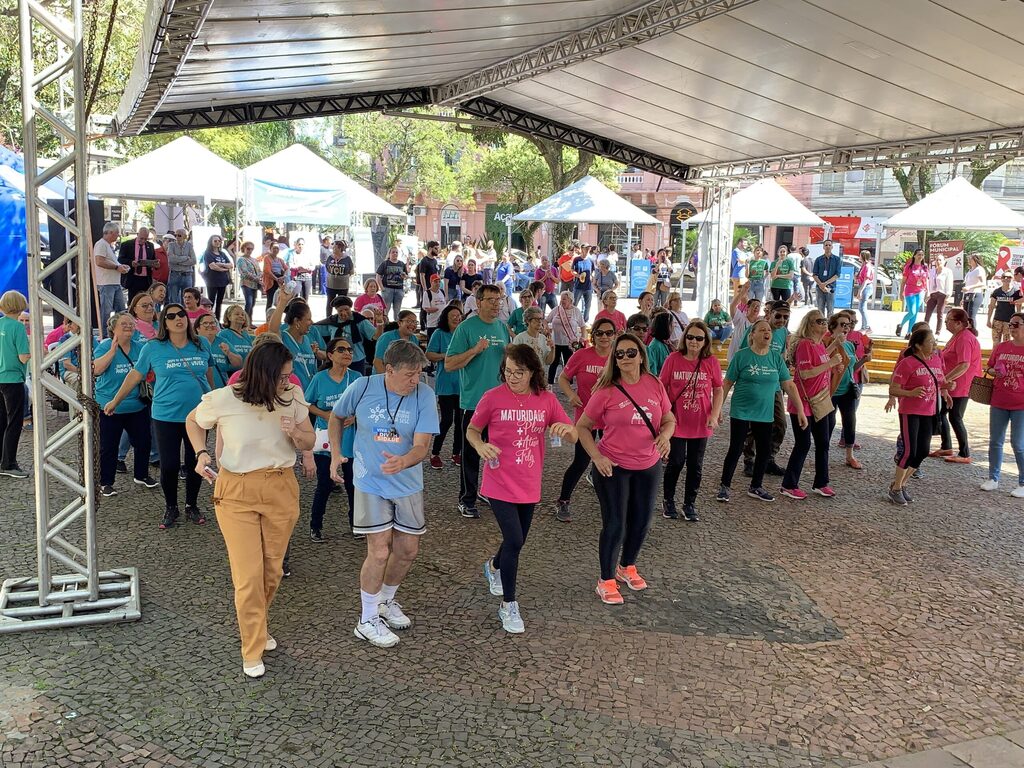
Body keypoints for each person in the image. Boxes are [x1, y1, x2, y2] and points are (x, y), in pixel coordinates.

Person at [187, 338, 314, 678]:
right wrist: (201, 454)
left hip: (281, 486)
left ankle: (258, 627)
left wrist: (298, 438)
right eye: (283, 376)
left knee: (272, 571)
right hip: (236, 491)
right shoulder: (224, 398)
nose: (289, 382)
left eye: (290, 376)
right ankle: (252, 645)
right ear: (263, 373)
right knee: (248, 576)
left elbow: (310, 439)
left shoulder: (291, 398)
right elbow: (193, 421)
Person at [328, 340, 439, 648]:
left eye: (419, 373)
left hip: (407, 484)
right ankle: (366, 620)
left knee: (407, 551)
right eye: (409, 374)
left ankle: (385, 601)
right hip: (369, 482)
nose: (415, 380)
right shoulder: (362, 387)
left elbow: (421, 445)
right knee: (378, 551)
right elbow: (336, 417)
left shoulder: (425, 395)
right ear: (389, 370)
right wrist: (336, 453)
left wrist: (405, 460)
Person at [471, 345, 575, 633]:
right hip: (498, 481)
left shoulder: (546, 400)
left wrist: (564, 431)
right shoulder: (492, 398)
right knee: (515, 540)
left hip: (529, 482)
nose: (513, 377)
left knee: (516, 540)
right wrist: (481, 446)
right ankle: (509, 604)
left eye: (519, 372)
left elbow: (574, 431)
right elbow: (471, 430)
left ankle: (493, 566)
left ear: (533, 372)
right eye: (508, 371)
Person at [576, 333, 674, 605]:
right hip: (613, 466)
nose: (626, 358)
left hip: (648, 464)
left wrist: (665, 436)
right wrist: (596, 457)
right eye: (620, 354)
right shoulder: (606, 390)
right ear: (614, 360)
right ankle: (605, 579)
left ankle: (627, 566)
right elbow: (582, 427)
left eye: (631, 352)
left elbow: (669, 419)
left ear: (641, 355)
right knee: (615, 524)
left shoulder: (654, 384)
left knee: (642, 521)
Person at [104, 303, 215, 528]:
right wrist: (115, 400)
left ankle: (191, 505)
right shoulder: (153, 347)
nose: (178, 319)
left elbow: (209, 372)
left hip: (199, 414)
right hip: (166, 415)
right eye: (171, 316)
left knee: (197, 461)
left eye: (181, 314)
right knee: (170, 464)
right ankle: (171, 506)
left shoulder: (201, 343)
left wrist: (215, 402)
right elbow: (135, 376)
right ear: (164, 322)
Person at [717, 319, 805, 504]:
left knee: (764, 450)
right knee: (736, 448)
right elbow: (726, 384)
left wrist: (801, 411)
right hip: (741, 410)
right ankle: (725, 486)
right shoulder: (742, 356)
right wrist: (717, 409)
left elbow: (788, 384)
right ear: (753, 334)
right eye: (762, 330)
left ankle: (756, 486)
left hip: (764, 413)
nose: (767, 332)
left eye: (769, 331)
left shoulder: (775, 358)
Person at [445, 284, 511, 519]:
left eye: (499, 300)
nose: (496, 304)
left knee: (497, 453)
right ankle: (467, 498)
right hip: (474, 402)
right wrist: (474, 350)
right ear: (478, 302)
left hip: (502, 404)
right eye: (491, 300)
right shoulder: (466, 328)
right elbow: (449, 364)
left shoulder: (502, 327)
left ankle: (489, 492)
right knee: (471, 454)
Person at [659, 320, 723, 522]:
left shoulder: (710, 361)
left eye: (699, 338)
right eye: (690, 337)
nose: (694, 341)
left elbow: (718, 389)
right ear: (684, 338)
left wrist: (714, 414)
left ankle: (689, 503)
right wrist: (662, 415)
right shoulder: (673, 359)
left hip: (701, 421)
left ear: (705, 341)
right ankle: (668, 500)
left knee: (696, 465)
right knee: (676, 461)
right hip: (676, 421)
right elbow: (661, 387)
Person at [555, 318, 616, 522]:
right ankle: (563, 501)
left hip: (611, 420)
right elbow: (563, 378)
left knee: (614, 462)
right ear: (593, 336)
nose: (604, 337)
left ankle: (614, 505)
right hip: (586, 419)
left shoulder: (619, 358)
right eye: (600, 333)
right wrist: (571, 395)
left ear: (614, 335)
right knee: (581, 461)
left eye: (609, 333)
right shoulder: (582, 355)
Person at [779, 310, 843, 500]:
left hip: (820, 401)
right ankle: (789, 484)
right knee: (803, 443)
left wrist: (833, 349)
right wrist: (831, 363)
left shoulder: (819, 345)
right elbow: (806, 373)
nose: (823, 324)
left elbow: (822, 359)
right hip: (804, 403)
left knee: (823, 442)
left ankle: (821, 482)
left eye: (825, 321)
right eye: (819, 321)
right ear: (810, 324)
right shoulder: (805, 344)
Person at [93, 312, 158, 496]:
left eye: (131, 323)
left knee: (144, 441)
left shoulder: (140, 347)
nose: (129, 326)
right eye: (124, 324)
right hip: (109, 407)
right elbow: (96, 370)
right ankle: (105, 482)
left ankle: (142, 474)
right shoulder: (104, 346)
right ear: (113, 328)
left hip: (137, 404)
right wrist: (112, 351)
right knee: (108, 446)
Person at [885, 327, 950, 505]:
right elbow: (893, 388)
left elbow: (938, 381)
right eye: (930, 342)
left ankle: (901, 484)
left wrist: (947, 388)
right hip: (910, 411)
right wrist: (911, 392)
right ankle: (896, 488)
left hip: (929, 411)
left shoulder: (936, 360)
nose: (934, 345)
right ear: (919, 346)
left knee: (922, 451)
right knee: (908, 450)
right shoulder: (907, 363)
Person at [305, 336, 362, 540]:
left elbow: (365, 405)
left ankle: (357, 524)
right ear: (330, 355)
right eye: (341, 350)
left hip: (350, 440)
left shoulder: (356, 378)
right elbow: (308, 403)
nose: (347, 353)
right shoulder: (320, 378)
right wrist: (326, 415)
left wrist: (354, 417)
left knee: (353, 485)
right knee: (325, 484)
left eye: (350, 349)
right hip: (325, 440)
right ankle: (315, 525)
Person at [740, 300, 791, 477]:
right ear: (769, 314)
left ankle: (769, 458)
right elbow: (743, 355)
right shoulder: (756, 329)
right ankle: (749, 460)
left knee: (780, 424)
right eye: (778, 316)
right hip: (754, 384)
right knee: (753, 425)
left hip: (775, 386)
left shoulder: (784, 333)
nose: (782, 320)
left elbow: (782, 356)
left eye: (786, 317)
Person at [982, 312, 1024, 496]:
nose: (1012, 327)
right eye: (1011, 324)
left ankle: (1023, 482)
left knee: (1018, 443)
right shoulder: (1001, 347)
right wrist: (994, 371)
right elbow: (989, 367)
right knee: (995, 441)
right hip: (999, 399)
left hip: (1021, 403)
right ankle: (993, 478)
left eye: (1017, 324)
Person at [935, 308, 981, 464]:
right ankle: (946, 446)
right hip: (953, 384)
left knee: (955, 417)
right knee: (942, 413)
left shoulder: (964, 338)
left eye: (948, 320)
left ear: (958, 323)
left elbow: (964, 364)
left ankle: (964, 452)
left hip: (961, 385)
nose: (946, 323)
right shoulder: (957, 336)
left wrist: (945, 379)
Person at [426, 305, 464, 470]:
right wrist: (446, 357)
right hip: (446, 383)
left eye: (458, 315)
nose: (456, 318)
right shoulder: (439, 334)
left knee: (461, 421)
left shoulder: (464, 333)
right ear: (446, 318)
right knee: (447, 420)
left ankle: (457, 453)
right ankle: (435, 452)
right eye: (453, 316)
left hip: (463, 384)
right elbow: (429, 354)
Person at [829, 314, 867, 470]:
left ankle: (849, 456)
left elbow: (852, 367)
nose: (847, 328)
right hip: (831, 390)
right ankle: (822, 452)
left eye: (849, 325)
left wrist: (863, 361)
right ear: (833, 326)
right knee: (828, 423)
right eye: (843, 324)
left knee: (850, 421)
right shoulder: (827, 344)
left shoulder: (850, 345)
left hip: (847, 390)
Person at [0, 291, 30, 478]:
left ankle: (1, 460)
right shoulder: (18, 328)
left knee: (2, 420)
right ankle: (9, 463)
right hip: (12, 379)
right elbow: (22, 356)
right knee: (14, 422)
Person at [94, 222, 129, 327]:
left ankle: (119, 329)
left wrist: (120, 266)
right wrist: (117, 267)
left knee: (121, 310)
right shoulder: (101, 244)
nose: (118, 235)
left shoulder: (108, 246)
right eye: (117, 233)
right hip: (106, 283)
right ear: (110, 232)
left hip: (114, 282)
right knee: (106, 310)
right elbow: (99, 261)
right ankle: (104, 333)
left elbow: (109, 261)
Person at [280, 300, 320, 390]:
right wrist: (283, 301)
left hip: (310, 393)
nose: (312, 322)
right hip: (292, 393)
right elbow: (272, 329)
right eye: (308, 319)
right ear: (297, 321)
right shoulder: (283, 337)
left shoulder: (306, 339)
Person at [118, 226, 158, 301]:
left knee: (145, 300)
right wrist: (131, 263)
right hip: (133, 278)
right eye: (141, 238)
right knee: (132, 301)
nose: (143, 241)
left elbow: (153, 260)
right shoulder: (127, 245)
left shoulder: (150, 246)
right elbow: (120, 259)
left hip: (146, 279)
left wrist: (155, 265)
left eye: (145, 239)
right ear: (137, 235)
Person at [895, 249, 929, 338]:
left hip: (921, 291)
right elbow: (903, 281)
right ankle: (900, 325)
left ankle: (909, 332)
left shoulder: (925, 267)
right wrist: (901, 292)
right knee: (912, 311)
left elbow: (926, 280)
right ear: (914, 256)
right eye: (918, 254)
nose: (920, 256)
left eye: (922, 255)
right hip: (910, 291)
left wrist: (927, 291)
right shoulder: (909, 267)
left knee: (915, 313)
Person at [201, 235, 234, 319]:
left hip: (223, 281)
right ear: (211, 242)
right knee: (211, 301)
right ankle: (210, 318)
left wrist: (221, 264)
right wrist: (223, 269)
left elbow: (230, 265)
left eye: (219, 241)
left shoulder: (222, 253)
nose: (217, 242)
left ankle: (218, 320)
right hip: (212, 281)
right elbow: (212, 266)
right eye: (215, 241)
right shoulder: (207, 253)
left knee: (219, 302)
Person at [988, 272, 1023, 346]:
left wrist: (1018, 322)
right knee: (995, 343)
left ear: (1012, 278)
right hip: (997, 320)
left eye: (1009, 277)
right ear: (1001, 279)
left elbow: (1018, 309)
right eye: (1004, 277)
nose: (1006, 278)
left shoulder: (1016, 292)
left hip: (1009, 322)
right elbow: (991, 306)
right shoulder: (997, 291)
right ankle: (995, 357)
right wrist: (988, 320)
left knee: (1006, 343)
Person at [377, 247, 409, 322]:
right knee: (386, 310)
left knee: (397, 310)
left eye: (396, 252)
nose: (395, 254)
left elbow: (406, 276)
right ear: (389, 253)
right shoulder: (385, 263)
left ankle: (396, 326)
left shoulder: (401, 264)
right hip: (387, 289)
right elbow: (378, 275)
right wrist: (382, 288)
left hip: (399, 290)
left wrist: (405, 276)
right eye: (393, 252)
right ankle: (385, 326)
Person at [726, 285, 759, 361]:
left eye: (758, 306)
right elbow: (732, 306)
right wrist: (742, 292)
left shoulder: (761, 321)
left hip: (751, 359)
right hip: (735, 357)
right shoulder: (740, 318)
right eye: (754, 306)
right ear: (747, 308)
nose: (756, 308)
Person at [923, 255, 953, 336]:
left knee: (940, 313)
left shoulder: (947, 271)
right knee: (928, 313)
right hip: (933, 294)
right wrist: (927, 294)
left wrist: (948, 296)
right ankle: (925, 330)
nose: (938, 261)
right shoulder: (932, 271)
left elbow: (949, 284)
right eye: (936, 260)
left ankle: (937, 333)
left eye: (940, 260)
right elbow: (929, 283)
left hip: (942, 294)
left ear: (944, 261)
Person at [165, 229, 196, 306]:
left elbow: (194, 260)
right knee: (173, 299)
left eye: (179, 235)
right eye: (175, 235)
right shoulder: (171, 245)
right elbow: (171, 259)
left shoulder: (189, 246)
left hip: (187, 275)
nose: (177, 237)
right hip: (175, 274)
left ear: (185, 236)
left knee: (188, 299)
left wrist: (177, 261)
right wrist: (185, 258)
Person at [812, 240, 841, 316]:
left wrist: (825, 283)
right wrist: (821, 285)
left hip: (831, 288)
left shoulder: (837, 259)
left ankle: (829, 327)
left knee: (830, 310)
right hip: (820, 288)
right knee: (820, 310)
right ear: (823, 247)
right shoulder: (818, 259)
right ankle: (821, 327)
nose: (828, 246)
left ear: (832, 247)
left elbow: (837, 275)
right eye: (826, 245)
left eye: (829, 245)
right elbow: (814, 274)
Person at [234, 241, 261, 320]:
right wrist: (257, 278)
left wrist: (259, 276)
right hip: (246, 284)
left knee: (252, 303)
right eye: (248, 249)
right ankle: (244, 321)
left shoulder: (254, 259)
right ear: (243, 248)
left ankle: (249, 321)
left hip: (254, 284)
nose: (250, 251)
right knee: (248, 303)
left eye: (251, 249)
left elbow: (259, 270)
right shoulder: (241, 259)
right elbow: (244, 272)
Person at [962, 253, 987, 329]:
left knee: (971, 316)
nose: (969, 260)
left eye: (971, 259)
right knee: (966, 316)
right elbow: (967, 284)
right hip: (967, 294)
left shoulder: (979, 269)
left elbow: (983, 284)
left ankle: (972, 333)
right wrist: (962, 297)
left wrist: (970, 287)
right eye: (968, 259)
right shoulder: (970, 270)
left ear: (976, 260)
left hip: (975, 294)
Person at [262, 243, 289, 311]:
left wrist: (283, 276)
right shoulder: (267, 258)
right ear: (270, 249)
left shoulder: (280, 259)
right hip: (271, 281)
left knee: (278, 301)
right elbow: (267, 271)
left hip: (279, 281)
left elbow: (287, 268)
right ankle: (268, 318)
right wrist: (276, 279)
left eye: (277, 248)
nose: (276, 250)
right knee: (270, 301)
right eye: (274, 248)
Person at [855, 250, 875, 331]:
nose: (859, 256)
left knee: (862, 308)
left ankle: (867, 326)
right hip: (863, 286)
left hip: (866, 287)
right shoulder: (863, 265)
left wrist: (860, 291)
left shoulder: (867, 266)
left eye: (860, 255)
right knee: (862, 307)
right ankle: (864, 326)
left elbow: (866, 280)